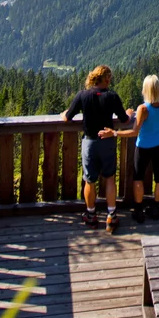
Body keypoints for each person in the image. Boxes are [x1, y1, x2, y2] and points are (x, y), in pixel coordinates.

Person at [62, 65, 132, 231]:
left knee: (89, 180)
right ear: (106, 79)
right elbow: (124, 120)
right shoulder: (112, 96)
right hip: (107, 141)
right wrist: (130, 112)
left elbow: (67, 117)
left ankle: (91, 215)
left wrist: (63, 114)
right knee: (109, 178)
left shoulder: (83, 95)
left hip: (90, 142)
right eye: (110, 78)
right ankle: (111, 216)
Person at [114, 74, 159, 223]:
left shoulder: (143, 108)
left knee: (138, 178)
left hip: (143, 147)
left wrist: (116, 132)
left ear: (145, 90)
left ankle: (138, 210)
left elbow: (134, 131)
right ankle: (155, 208)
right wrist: (158, 119)